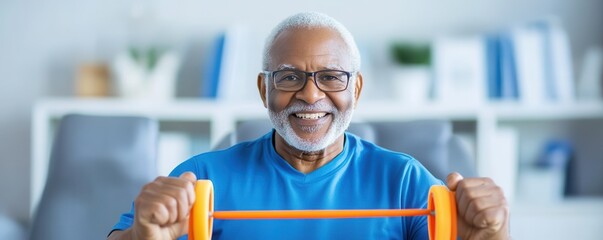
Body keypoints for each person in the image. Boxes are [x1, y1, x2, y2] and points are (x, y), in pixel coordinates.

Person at [108, 12, 509, 240]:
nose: (311, 96)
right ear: (264, 88)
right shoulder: (202, 177)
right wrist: (141, 235)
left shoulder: (404, 179)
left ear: (358, 88)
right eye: (288, 77)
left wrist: (494, 236)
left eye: (332, 77)